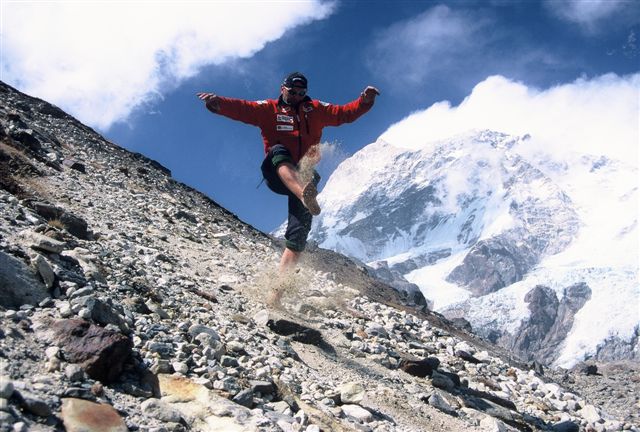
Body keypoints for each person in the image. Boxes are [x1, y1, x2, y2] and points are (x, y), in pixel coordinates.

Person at [197, 72, 379, 272]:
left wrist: (364, 101)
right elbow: (242, 108)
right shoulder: (269, 109)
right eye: (293, 92)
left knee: (298, 233)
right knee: (279, 151)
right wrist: (218, 104)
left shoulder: (316, 108)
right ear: (282, 89)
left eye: (302, 93)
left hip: (304, 175)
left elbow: (344, 113)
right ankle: (304, 195)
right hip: (277, 173)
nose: (297, 96)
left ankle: (277, 290)